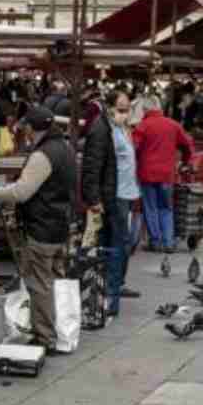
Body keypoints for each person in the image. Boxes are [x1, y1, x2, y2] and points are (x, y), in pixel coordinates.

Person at [0, 106, 75, 352]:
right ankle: (62, 331)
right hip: (60, 225)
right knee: (56, 281)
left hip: (42, 228)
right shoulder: (66, 148)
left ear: (31, 128)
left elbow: (22, 192)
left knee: (40, 285)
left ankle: (45, 337)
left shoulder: (43, 154)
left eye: (25, 126)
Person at [82, 92, 140, 317]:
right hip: (112, 196)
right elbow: (92, 166)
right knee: (119, 245)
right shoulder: (101, 130)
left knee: (117, 245)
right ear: (109, 107)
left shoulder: (121, 129)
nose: (124, 113)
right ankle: (110, 296)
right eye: (121, 109)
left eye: (127, 109)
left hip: (124, 194)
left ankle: (106, 292)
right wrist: (94, 199)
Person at [132, 97, 194, 253]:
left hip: (147, 174)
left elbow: (134, 147)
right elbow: (187, 145)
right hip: (167, 174)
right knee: (166, 207)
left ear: (145, 110)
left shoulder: (142, 126)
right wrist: (185, 161)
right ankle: (168, 242)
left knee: (150, 207)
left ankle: (155, 241)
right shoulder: (173, 125)